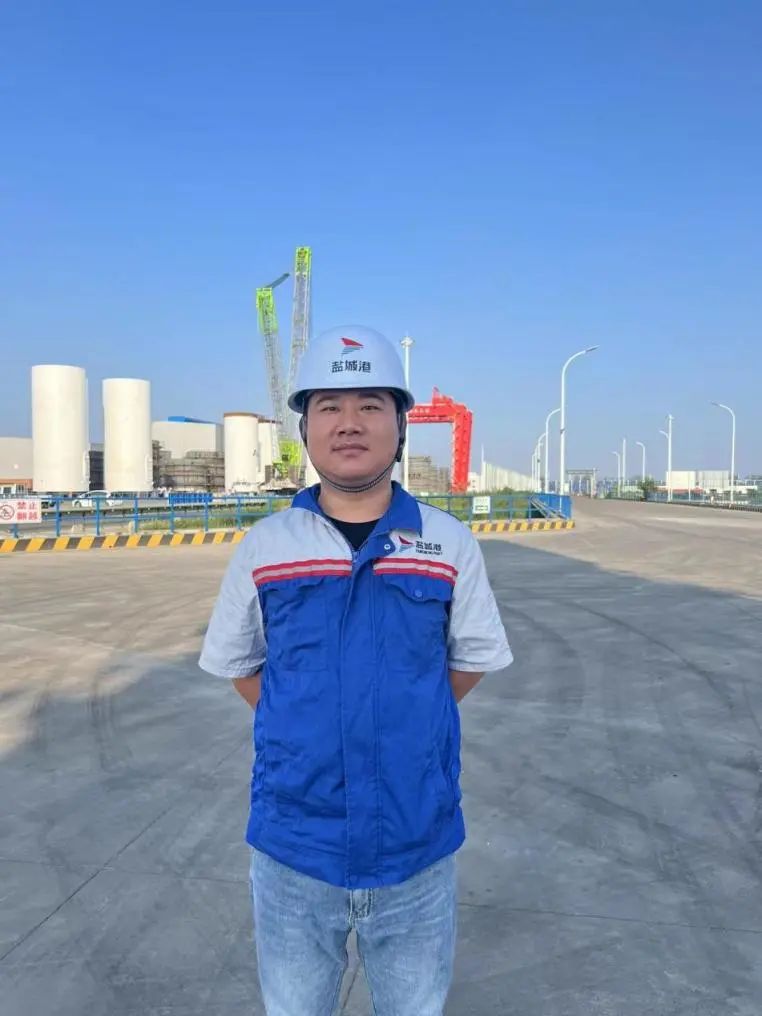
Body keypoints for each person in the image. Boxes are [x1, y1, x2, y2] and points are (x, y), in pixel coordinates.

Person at [199, 325, 512, 1016]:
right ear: (305, 428)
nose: (349, 423)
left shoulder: (446, 543)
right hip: (294, 846)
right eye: (330, 407)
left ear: (400, 427)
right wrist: (305, 722)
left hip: (415, 843)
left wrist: (407, 714)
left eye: (371, 405)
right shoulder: (266, 547)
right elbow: (240, 664)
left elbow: (470, 661)